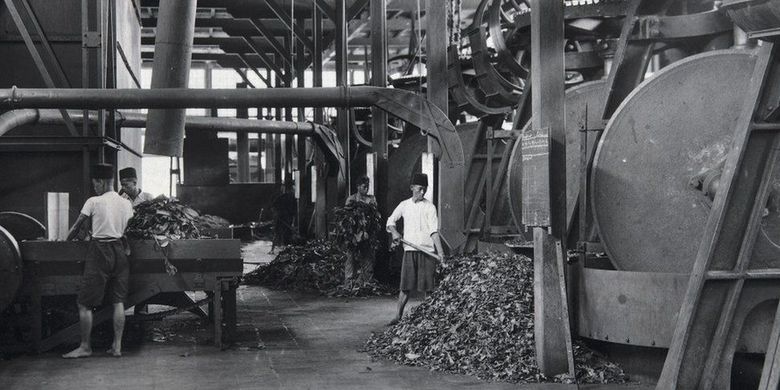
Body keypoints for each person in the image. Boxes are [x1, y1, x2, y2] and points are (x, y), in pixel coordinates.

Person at [62, 163, 134, 358]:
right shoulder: (126, 203)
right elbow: (128, 229)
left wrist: (63, 242)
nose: (95, 187)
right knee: (118, 302)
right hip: (120, 250)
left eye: (95, 183)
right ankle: (117, 347)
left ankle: (85, 347)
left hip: (100, 251)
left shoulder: (93, 201)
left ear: (102, 181)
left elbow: (77, 227)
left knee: (84, 303)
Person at [386, 173, 444, 325]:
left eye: (424, 189)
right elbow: (391, 221)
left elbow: (434, 232)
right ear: (412, 188)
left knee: (428, 288)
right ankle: (398, 316)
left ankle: (430, 319)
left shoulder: (430, 207)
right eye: (420, 189)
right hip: (410, 251)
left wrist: (441, 253)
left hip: (427, 253)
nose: (422, 192)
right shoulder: (404, 205)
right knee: (405, 287)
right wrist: (395, 232)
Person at [344, 176, 378, 287]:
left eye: (368, 186)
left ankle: (367, 282)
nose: (366, 189)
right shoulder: (351, 199)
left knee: (367, 256)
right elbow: (347, 218)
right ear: (358, 187)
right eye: (364, 187)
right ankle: (349, 282)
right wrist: (353, 235)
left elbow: (374, 216)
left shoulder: (371, 199)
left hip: (367, 234)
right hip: (353, 234)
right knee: (351, 256)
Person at [270, 179, 297, 254]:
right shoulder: (282, 197)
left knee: (286, 233)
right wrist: (277, 215)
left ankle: (286, 249)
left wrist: (292, 222)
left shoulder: (291, 199)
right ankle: (273, 249)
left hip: (287, 218)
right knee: (278, 232)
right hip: (281, 218)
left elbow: (294, 212)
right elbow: (273, 207)